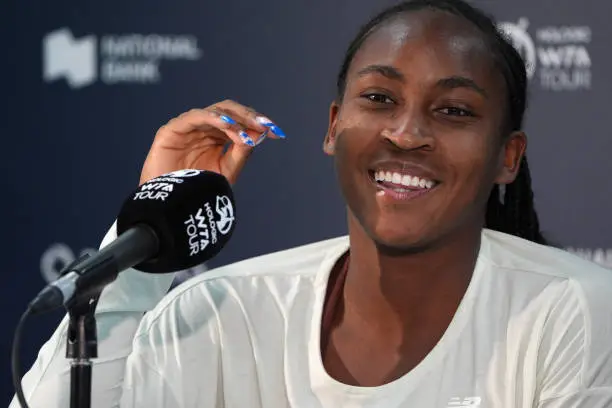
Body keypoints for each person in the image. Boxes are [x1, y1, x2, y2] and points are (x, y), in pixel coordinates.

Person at [11, 0, 612, 407]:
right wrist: (150, 234)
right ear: (333, 129)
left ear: (508, 157)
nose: (406, 133)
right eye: (379, 98)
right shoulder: (218, 314)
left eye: (453, 110)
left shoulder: (571, 313)